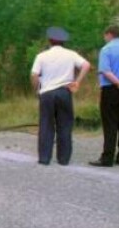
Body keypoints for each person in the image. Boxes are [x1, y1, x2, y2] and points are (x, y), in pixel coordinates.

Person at [30, 27, 90, 165]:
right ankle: (63, 158)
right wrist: (77, 82)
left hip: (47, 92)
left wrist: (37, 89)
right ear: (64, 41)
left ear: (49, 40)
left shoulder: (42, 56)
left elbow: (34, 75)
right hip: (64, 91)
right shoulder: (71, 54)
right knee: (64, 125)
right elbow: (86, 65)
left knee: (46, 124)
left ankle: (44, 157)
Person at [89, 25, 119, 167]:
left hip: (111, 89)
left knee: (110, 123)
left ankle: (107, 157)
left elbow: (105, 71)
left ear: (109, 34)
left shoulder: (106, 49)